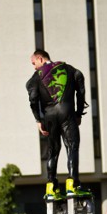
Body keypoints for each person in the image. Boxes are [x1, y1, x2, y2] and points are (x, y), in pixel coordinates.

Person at [26, 49, 90, 200]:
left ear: (40, 59)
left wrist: (39, 120)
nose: (34, 67)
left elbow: (33, 99)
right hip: (67, 113)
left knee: (53, 151)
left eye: (33, 63)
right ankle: (72, 185)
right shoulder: (69, 70)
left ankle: (51, 187)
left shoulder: (35, 78)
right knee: (71, 146)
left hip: (49, 116)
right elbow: (80, 89)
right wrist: (79, 113)